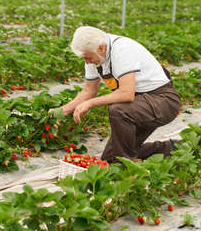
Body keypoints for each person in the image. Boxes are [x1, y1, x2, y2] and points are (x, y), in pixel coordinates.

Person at [58, 26, 180, 163]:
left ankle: (123, 168)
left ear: (102, 48)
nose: (86, 62)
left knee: (119, 111)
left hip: (162, 101)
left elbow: (126, 94)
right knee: (110, 157)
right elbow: (89, 91)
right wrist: (60, 112)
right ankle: (172, 148)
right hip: (139, 104)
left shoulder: (122, 49)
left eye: (87, 57)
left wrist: (89, 103)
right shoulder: (94, 54)